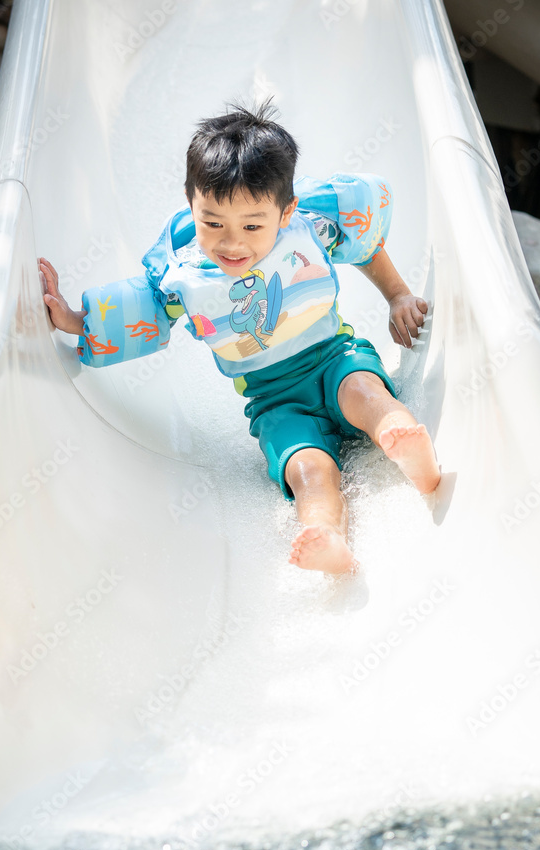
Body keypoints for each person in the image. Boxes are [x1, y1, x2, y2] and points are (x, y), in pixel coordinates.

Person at [39, 98, 440, 576]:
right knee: (307, 467)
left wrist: (397, 295)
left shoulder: (310, 225)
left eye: (252, 226)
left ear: (285, 211)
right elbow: (139, 313)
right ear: (190, 204)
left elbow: (366, 246)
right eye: (213, 223)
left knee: (363, 391)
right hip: (274, 401)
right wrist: (73, 320)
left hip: (335, 358)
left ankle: (402, 439)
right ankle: (327, 536)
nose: (233, 243)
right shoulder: (183, 277)